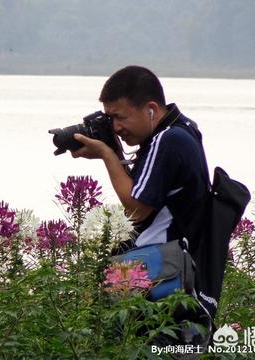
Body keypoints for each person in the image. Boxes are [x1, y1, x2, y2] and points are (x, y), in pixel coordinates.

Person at [70, 65, 213, 350]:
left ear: (150, 109)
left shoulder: (166, 140)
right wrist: (115, 152)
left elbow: (137, 209)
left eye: (119, 117)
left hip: (162, 275)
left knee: (126, 346)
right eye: (109, 119)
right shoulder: (183, 129)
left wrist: (106, 154)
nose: (115, 127)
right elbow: (152, 192)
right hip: (181, 273)